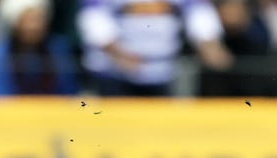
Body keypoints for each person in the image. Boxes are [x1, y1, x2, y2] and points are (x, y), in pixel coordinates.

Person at [76, 0, 232, 97]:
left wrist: (209, 44)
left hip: (164, 73)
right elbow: (92, 16)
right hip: (114, 75)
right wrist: (116, 51)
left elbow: (198, 12)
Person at [0, 0, 79, 95]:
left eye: (38, 19)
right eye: (27, 20)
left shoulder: (58, 49)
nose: (33, 26)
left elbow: (68, 92)